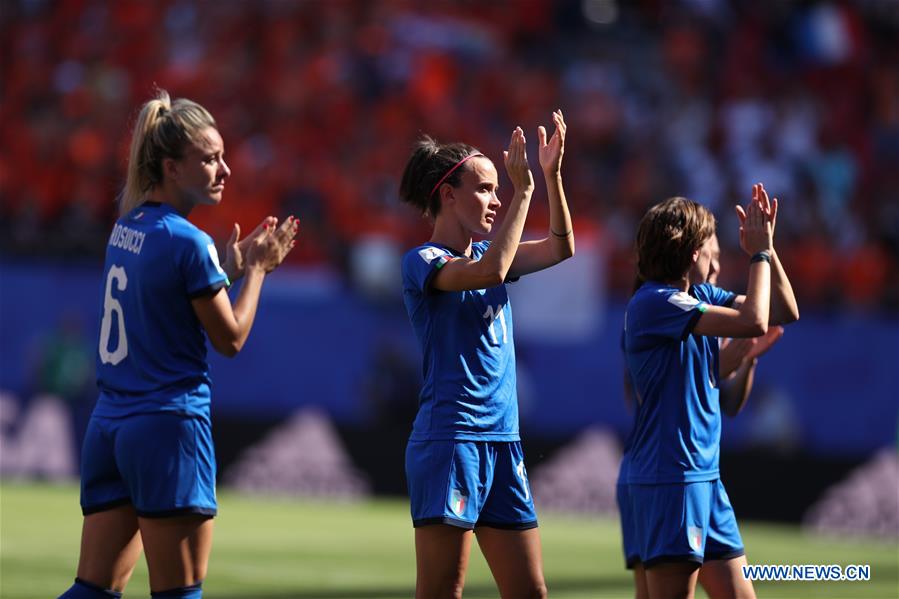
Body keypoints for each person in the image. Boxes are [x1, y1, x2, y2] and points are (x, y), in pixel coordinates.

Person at [59, 89, 297, 599]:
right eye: (209, 159)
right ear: (171, 167)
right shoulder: (188, 242)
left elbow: (166, 299)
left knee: (93, 591)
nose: (225, 170)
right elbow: (229, 339)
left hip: (111, 426)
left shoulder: (128, 227)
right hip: (167, 426)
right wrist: (255, 271)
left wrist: (226, 268)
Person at [399, 111, 573, 599]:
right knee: (442, 591)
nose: (496, 200)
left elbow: (561, 248)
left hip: (503, 442)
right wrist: (524, 194)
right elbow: (493, 271)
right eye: (485, 189)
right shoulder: (424, 262)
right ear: (448, 195)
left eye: (500, 191)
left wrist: (550, 176)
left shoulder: (486, 258)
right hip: (451, 441)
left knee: (530, 592)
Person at [623, 186, 799, 599]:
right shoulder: (655, 303)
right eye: (712, 252)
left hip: (705, 479)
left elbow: (784, 311)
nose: (718, 262)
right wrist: (756, 255)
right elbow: (756, 321)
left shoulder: (697, 297)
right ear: (689, 252)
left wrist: (769, 251)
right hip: (671, 480)